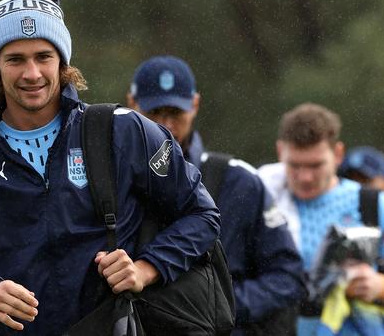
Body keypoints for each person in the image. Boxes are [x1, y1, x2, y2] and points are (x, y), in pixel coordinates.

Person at [0, 0, 221, 336]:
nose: (32, 73)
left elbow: (200, 214)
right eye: (15, 59)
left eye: (43, 57)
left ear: (62, 62)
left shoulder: (124, 130)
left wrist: (146, 268)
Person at [126, 55, 305, 335]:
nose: (165, 124)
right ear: (132, 104)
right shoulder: (112, 180)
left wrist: (220, 305)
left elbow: (287, 277)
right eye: (155, 113)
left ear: (195, 105)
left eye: (175, 113)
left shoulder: (240, 182)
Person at [258, 103, 384, 335]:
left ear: (338, 154)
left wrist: (381, 286)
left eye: (316, 165)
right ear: (279, 151)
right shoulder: (261, 200)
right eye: (294, 165)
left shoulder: (373, 203)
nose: (304, 177)